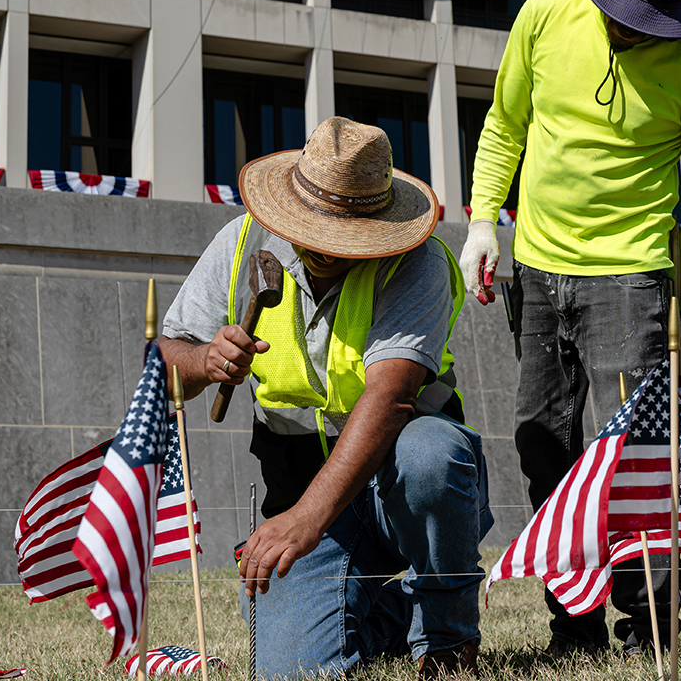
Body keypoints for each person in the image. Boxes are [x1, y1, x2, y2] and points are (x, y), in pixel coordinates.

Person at [460, 0, 681, 657]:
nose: (628, 28)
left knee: (640, 460)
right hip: (537, 270)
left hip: (634, 279)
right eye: (621, 12)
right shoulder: (544, 14)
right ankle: (574, 629)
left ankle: (650, 631)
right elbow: (505, 125)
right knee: (542, 445)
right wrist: (483, 222)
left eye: (645, 21)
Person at [159, 117, 490, 678]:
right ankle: (391, 615)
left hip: (404, 490)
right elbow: (167, 363)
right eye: (314, 230)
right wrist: (204, 361)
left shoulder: (419, 261)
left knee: (429, 454)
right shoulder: (239, 243)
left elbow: (389, 399)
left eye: (343, 237)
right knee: (287, 667)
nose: (324, 248)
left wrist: (305, 520)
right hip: (300, 491)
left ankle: (446, 638)